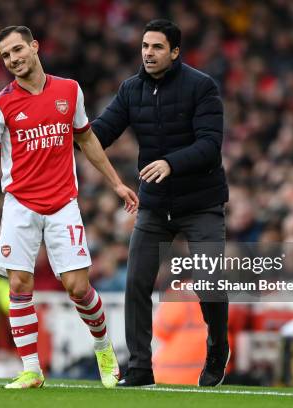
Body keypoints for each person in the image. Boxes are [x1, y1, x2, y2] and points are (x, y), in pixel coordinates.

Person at [0, 25, 139, 389]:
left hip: (63, 203)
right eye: (6, 56)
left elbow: (86, 138)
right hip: (19, 204)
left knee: (77, 287)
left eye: (18, 50)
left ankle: (102, 347)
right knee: (19, 283)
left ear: (34, 47)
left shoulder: (69, 90)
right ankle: (32, 368)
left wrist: (115, 182)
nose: (14, 59)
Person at [91, 19, 230, 387]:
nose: (148, 53)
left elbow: (210, 144)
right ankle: (139, 367)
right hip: (154, 204)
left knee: (210, 280)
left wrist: (171, 162)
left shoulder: (202, 87)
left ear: (175, 52)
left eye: (156, 47)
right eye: (144, 46)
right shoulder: (130, 90)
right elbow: (100, 133)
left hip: (200, 203)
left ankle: (217, 347)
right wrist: (68, 131)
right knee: (136, 282)